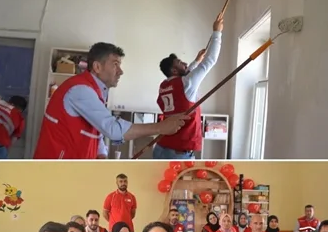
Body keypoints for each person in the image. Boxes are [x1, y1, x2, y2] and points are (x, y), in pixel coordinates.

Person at [34, 42, 185, 159]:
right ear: (97, 67)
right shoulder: (81, 90)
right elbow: (112, 129)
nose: (120, 71)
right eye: (115, 64)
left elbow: (96, 129)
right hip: (56, 170)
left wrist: (101, 155)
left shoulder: (95, 90)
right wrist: (160, 127)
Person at [153, 14, 223, 159]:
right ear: (173, 70)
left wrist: (196, 61)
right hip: (177, 153)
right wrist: (217, 33)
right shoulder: (186, 83)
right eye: (180, 62)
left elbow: (186, 76)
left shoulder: (165, 85)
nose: (185, 63)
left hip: (162, 147)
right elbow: (210, 60)